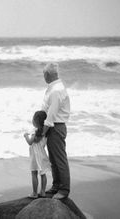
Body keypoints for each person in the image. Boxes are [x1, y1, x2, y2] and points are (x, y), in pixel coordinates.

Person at [41, 62, 71, 200]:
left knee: (59, 159)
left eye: (44, 74)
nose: (43, 76)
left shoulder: (56, 90)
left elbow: (51, 114)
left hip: (56, 127)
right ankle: (56, 185)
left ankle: (64, 190)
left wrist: (43, 131)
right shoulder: (54, 87)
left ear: (48, 74)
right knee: (53, 159)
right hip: (53, 127)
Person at [24, 110, 50, 199]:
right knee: (43, 173)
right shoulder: (45, 131)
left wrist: (26, 136)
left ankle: (35, 193)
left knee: (34, 173)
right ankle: (43, 192)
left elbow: (30, 142)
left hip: (35, 156)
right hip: (42, 154)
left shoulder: (35, 131)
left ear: (36, 121)